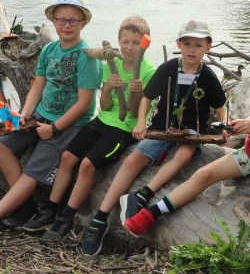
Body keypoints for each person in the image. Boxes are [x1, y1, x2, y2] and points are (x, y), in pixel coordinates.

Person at [122, 23, 250, 237]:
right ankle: (148, 212)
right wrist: (247, 122)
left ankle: (148, 216)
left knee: (204, 174)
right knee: (204, 173)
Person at [0, 0, 101, 236]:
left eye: (73, 20)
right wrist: (25, 113)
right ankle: (24, 209)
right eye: (61, 19)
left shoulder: (87, 57)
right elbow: (38, 86)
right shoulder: (49, 50)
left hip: (68, 125)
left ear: (83, 23)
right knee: (3, 145)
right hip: (41, 116)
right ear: (54, 21)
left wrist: (55, 129)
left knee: (34, 169)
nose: (66, 25)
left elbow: (85, 104)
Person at [80, 20, 226, 255]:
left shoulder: (207, 75)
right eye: (187, 44)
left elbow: (220, 105)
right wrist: (140, 122)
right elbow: (147, 98)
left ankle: (142, 194)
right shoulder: (168, 68)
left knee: (184, 155)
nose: (191, 49)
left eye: (198, 45)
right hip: (161, 127)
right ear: (178, 44)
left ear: (207, 47)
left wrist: (223, 127)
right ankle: (101, 217)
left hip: (190, 132)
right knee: (133, 160)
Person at [22, 16, 156, 243]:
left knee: (86, 164)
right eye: (125, 41)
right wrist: (107, 89)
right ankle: (50, 210)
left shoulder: (148, 71)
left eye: (135, 43)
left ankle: (66, 217)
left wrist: (136, 92)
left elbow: (133, 114)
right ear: (118, 41)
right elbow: (104, 106)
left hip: (123, 129)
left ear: (143, 43)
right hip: (101, 120)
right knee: (67, 157)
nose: (129, 47)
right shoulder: (110, 65)